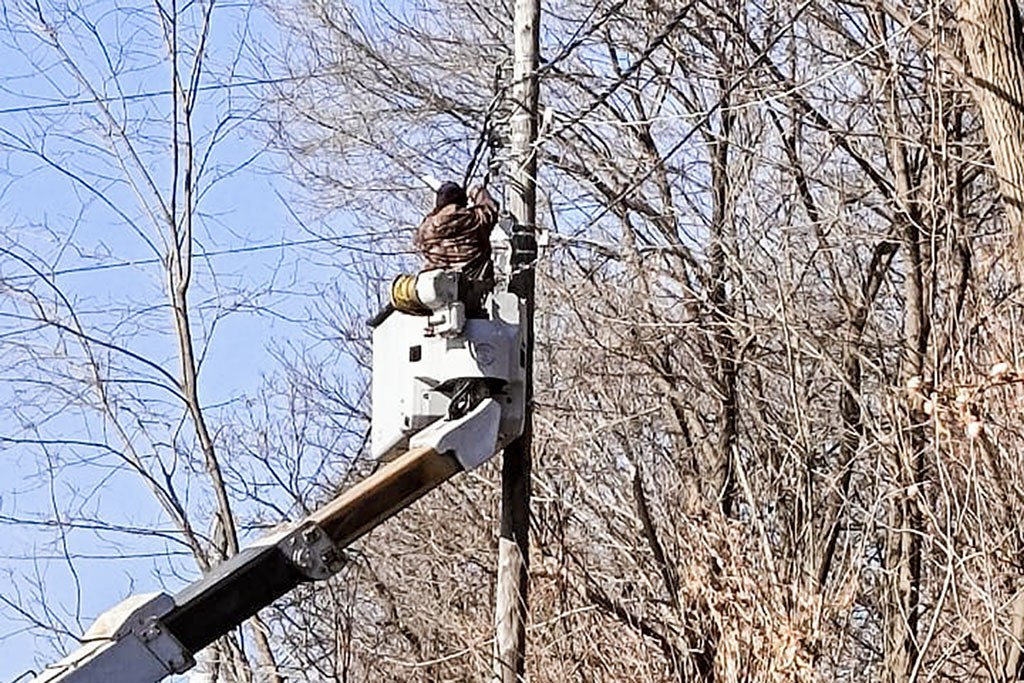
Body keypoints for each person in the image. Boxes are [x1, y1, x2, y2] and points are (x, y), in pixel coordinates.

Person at [414, 181, 499, 315]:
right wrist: (477, 191)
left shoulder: (425, 230)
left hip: (439, 297)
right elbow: (490, 209)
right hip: (472, 296)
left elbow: (421, 237)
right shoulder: (474, 220)